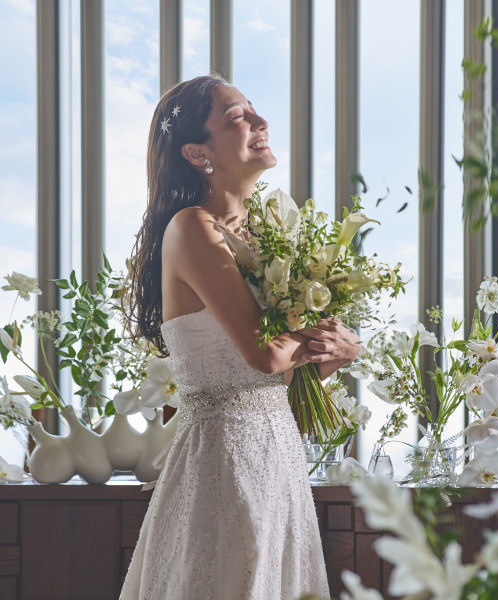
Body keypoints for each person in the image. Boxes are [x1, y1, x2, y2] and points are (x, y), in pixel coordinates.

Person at [119, 74, 361, 600]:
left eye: (253, 110)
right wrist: (317, 338)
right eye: (236, 117)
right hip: (224, 465)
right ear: (195, 151)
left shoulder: (267, 233)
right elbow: (265, 356)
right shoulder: (192, 228)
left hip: (279, 460)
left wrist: (337, 355)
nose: (259, 122)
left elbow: (275, 377)